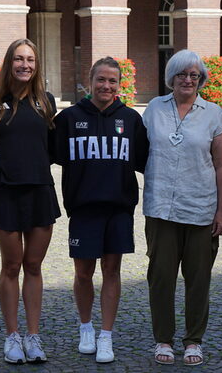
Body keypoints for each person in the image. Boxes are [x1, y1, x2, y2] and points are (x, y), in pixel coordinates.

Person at [50, 57, 149, 363]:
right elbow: (48, 156)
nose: (107, 86)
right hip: (83, 209)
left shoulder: (131, 119)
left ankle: (106, 335)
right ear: (89, 81)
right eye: (101, 80)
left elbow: (146, 162)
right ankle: (86, 327)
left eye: (113, 81)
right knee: (82, 272)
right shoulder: (68, 119)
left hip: (118, 209)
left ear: (120, 85)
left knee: (111, 270)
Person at [142, 49, 222, 367]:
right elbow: (140, 153)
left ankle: (194, 340)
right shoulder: (153, 109)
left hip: (201, 209)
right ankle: (163, 338)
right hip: (161, 208)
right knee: (161, 277)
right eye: (182, 74)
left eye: (194, 75)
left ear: (202, 80)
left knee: (199, 279)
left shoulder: (215, 115)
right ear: (171, 77)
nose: (188, 79)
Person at [0, 38, 60, 364]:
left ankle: (33, 336)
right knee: (12, 266)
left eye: (29, 59)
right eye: (18, 58)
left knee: (34, 266)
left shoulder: (47, 101)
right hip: (7, 193)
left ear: (36, 64)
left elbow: (54, 148)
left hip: (41, 191)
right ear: (9, 62)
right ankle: (11, 336)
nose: (24, 64)